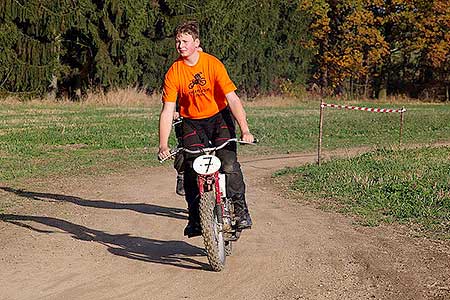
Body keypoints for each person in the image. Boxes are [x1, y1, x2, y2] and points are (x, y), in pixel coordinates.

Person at [158, 20, 254, 238]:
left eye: (185, 41)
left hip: (219, 118)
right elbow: (167, 111)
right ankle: (195, 219)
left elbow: (233, 99)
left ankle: (241, 211)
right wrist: (163, 144)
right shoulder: (174, 72)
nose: (180, 46)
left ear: (196, 43)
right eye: (177, 42)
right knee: (192, 170)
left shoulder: (212, 64)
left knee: (228, 164)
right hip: (191, 122)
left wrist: (245, 130)